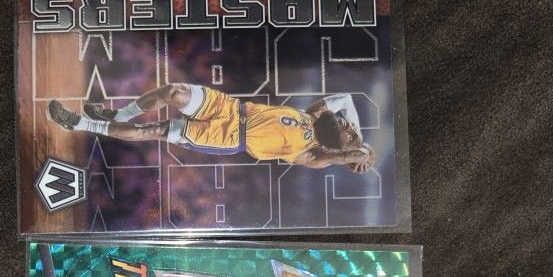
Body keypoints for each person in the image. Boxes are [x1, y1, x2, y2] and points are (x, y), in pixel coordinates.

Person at [47, 83, 375, 172]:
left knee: (154, 131)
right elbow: (343, 99)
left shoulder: (312, 153)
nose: (348, 123)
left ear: (339, 145)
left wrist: (360, 150)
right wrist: (357, 137)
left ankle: (78, 123)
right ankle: (118, 116)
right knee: (172, 92)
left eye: (349, 131)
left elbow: (349, 155)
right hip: (230, 108)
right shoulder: (312, 116)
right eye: (350, 124)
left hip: (227, 136)